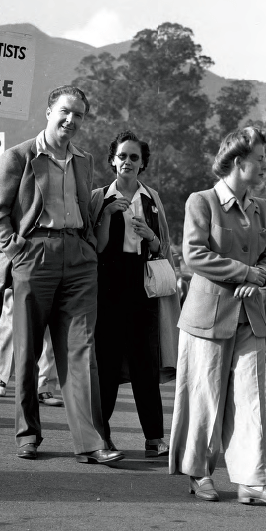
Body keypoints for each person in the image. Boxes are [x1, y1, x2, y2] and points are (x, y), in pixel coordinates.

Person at [0, 85, 123, 464]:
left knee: (81, 350)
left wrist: (90, 244)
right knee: (26, 351)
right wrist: (17, 248)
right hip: (35, 254)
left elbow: (84, 206)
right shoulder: (18, 156)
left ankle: (90, 443)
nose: (71, 120)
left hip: (79, 256)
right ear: (48, 111)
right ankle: (28, 435)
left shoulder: (84, 159)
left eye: (78, 115)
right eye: (65, 111)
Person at [169, 126, 266, 506]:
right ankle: (199, 472)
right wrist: (246, 273)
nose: (264, 165)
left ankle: (251, 481)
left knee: (251, 398)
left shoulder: (264, 208)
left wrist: (262, 276)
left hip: (250, 318)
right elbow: (195, 255)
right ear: (239, 162)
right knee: (205, 397)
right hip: (207, 316)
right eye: (259, 159)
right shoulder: (201, 202)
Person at [90, 130, 180, 458]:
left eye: (134, 157)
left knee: (145, 363)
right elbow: (95, 247)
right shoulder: (99, 197)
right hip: (108, 284)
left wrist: (150, 236)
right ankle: (99, 437)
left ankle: (155, 438)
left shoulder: (151, 198)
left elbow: (162, 247)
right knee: (108, 363)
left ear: (142, 164)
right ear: (112, 160)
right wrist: (109, 214)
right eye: (122, 156)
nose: (127, 162)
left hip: (143, 285)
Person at [0, 287, 64, 406]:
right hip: (22, 270)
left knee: (51, 321)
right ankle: (2, 375)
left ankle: (43, 386)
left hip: (54, 270)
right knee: (13, 318)